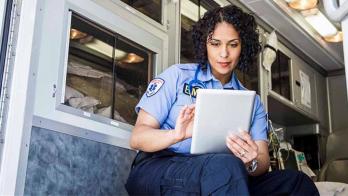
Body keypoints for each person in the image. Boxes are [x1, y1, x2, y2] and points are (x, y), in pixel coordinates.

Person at [125, 5, 319, 196]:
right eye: (215, 44)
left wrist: (251, 161)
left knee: (297, 182)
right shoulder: (177, 76)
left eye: (233, 44)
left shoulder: (252, 102)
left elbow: (262, 162)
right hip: (158, 167)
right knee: (226, 167)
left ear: (243, 46)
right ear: (204, 45)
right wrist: (176, 134)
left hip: (223, 173)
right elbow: (138, 138)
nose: (224, 53)